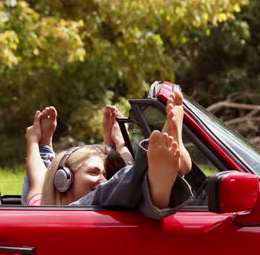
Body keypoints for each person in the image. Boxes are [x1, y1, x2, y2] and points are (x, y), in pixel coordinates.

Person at [24, 91, 193, 219]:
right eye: (93, 172)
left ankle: (157, 189)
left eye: (105, 174)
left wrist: (117, 145)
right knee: (113, 187)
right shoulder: (41, 207)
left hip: (131, 200)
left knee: (121, 181)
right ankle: (155, 180)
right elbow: (39, 177)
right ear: (63, 180)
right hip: (74, 212)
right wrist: (35, 141)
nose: (102, 179)